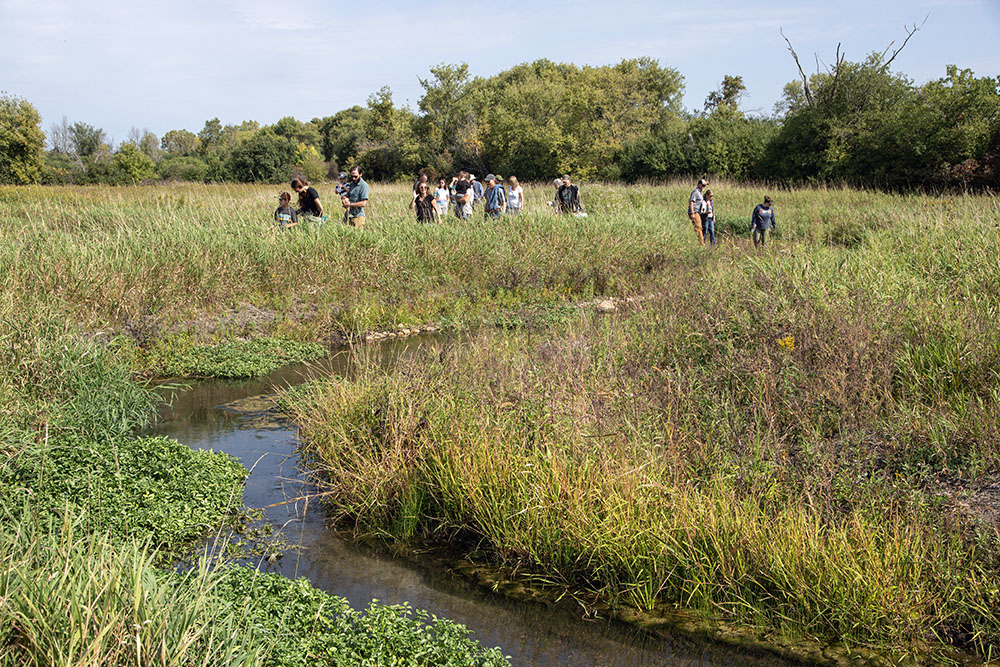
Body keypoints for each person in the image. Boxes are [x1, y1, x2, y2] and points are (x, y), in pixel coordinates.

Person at [689, 178, 707, 245]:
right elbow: (691, 202)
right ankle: (701, 243)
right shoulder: (695, 192)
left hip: (698, 212)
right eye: (703, 185)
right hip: (695, 212)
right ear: (699, 185)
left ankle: (700, 242)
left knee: (699, 227)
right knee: (698, 228)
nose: (704, 187)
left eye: (705, 185)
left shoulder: (700, 192)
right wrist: (692, 213)